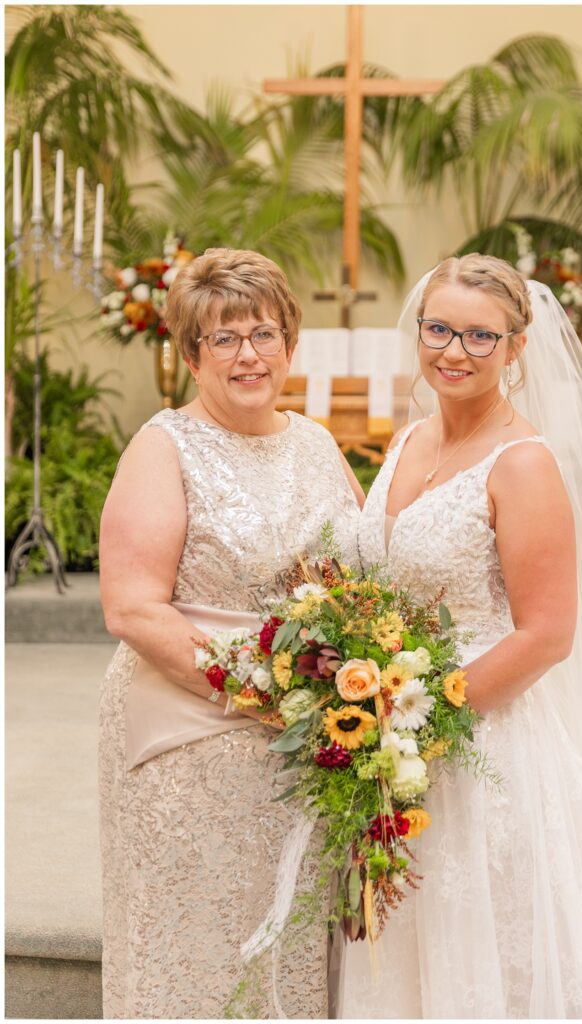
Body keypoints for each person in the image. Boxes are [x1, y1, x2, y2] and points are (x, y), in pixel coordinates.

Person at [337, 254, 582, 1019]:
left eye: (479, 337)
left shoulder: (523, 463)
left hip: (481, 740)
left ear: (517, 349)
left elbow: (548, 634)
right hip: (389, 730)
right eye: (439, 329)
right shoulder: (408, 439)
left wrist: (427, 723)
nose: (453, 352)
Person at [98, 247, 364, 1019]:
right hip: (189, 738)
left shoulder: (314, 442)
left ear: (290, 343)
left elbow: (361, 574)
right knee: (196, 948)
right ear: (191, 354)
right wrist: (267, 690)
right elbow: (133, 608)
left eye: (265, 333)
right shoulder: (164, 446)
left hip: (305, 739)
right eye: (224, 338)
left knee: (290, 948)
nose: (249, 354)